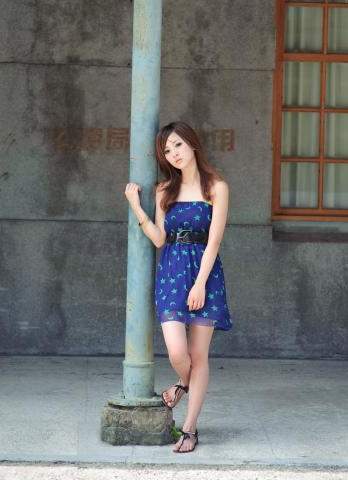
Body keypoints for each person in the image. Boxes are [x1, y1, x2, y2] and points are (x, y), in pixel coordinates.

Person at [124, 120, 232, 453]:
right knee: (177, 352)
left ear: (192, 143)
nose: (173, 154)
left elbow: (214, 242)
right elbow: (159, 239)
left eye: (177, 145)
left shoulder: (216, 188)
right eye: (167, 150)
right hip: (171, 273)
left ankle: (190, 428)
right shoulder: (164, 191)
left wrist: (200, 284)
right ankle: (184, 382)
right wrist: (136, 207)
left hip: (205, 275)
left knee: (199, 355)